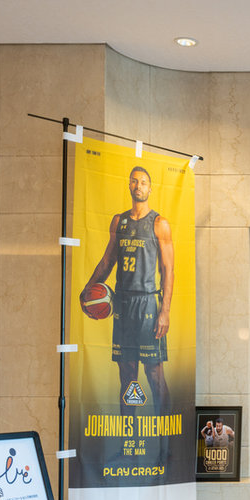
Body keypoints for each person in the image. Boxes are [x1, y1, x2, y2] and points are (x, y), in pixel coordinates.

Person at [82, 166, 174, 412]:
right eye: (134, 181)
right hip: (122, 304)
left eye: (143, 182)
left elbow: (168, 270)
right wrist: (88, 289)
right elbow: (107, 261)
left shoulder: (159, 223)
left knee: (154, 373)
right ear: (129, 185)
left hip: (148, 304)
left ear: (150, 188)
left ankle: (166, 433)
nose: (138, 185)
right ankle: (128, 433)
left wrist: (164, 312)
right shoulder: (118, 221)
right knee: (127, 374)